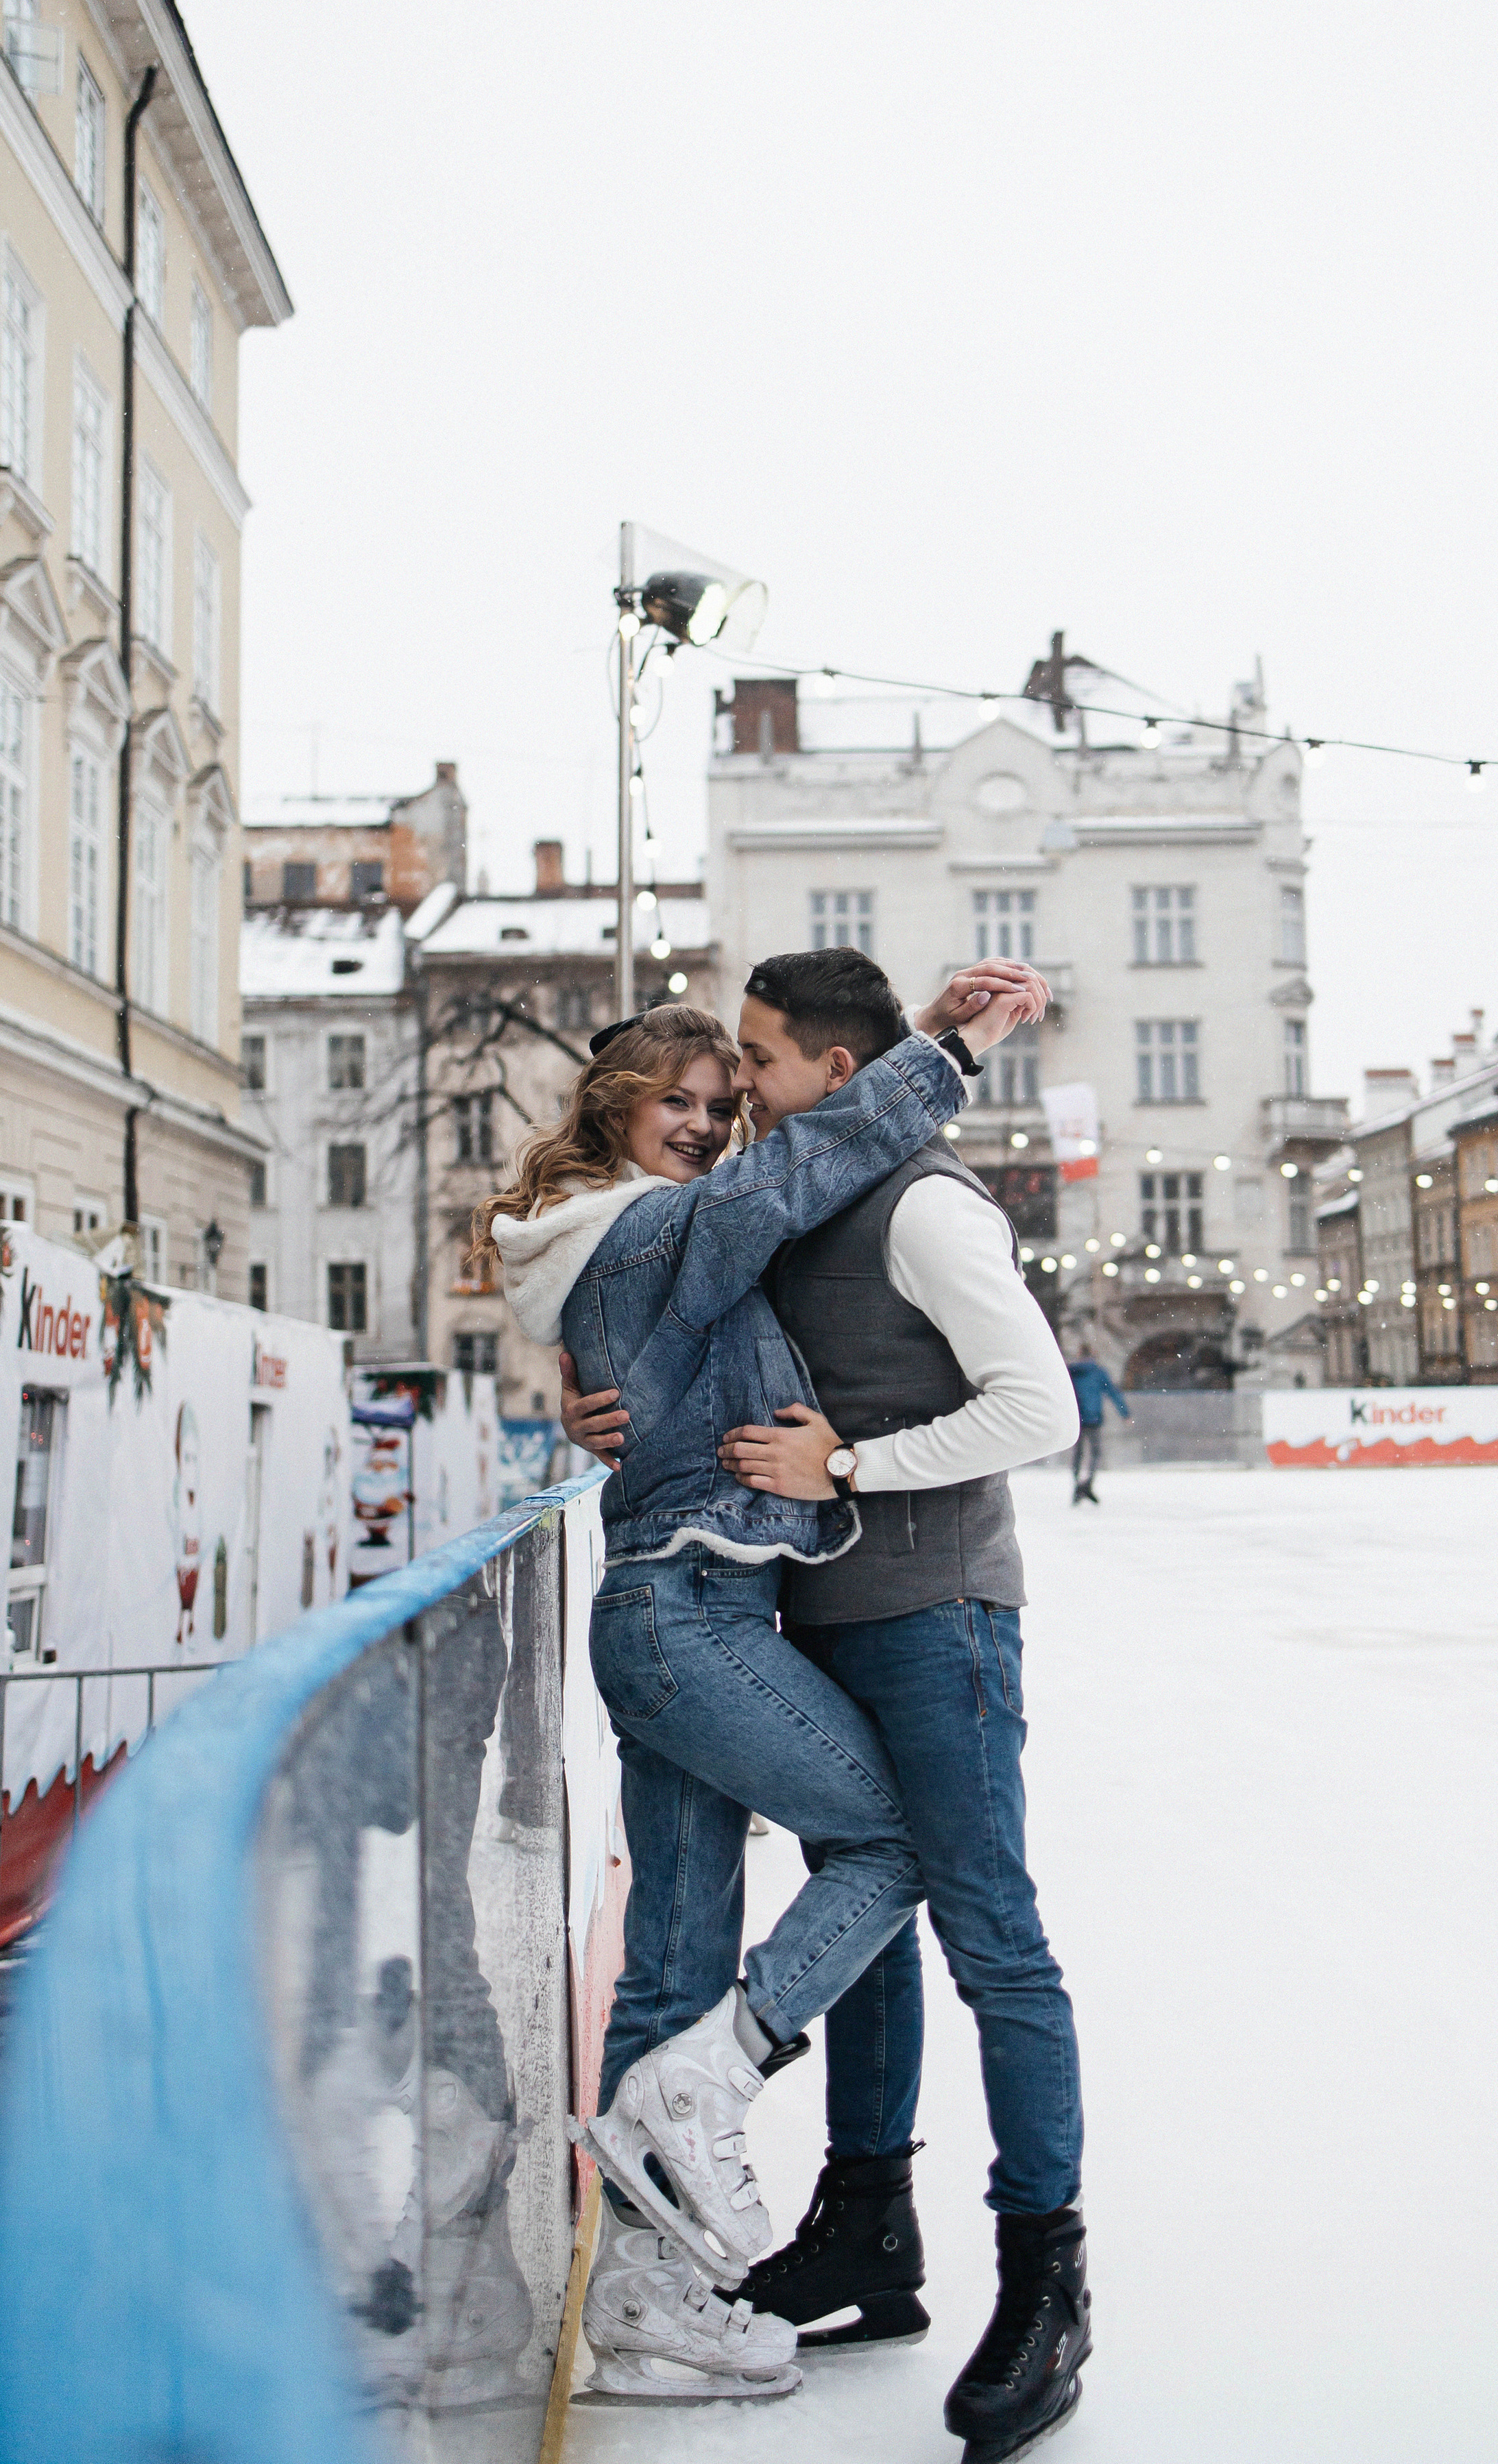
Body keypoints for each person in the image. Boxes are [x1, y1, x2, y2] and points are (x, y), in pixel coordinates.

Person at [478, 971, 1042, 2405]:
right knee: (902, 1838)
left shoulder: (611, 1240)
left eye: (721, 1105)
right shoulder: (662, 1225)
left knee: (669, 1949)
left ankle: (649, 2299)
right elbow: (804, 1169)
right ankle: (719, 2069)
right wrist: (949, 1050)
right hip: (692, 1612)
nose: (708, 1125)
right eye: (678, 1100)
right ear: (614, 1107)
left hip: (692, 1604)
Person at [1065, 1339, 1131, 1503]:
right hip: (1093, 1418)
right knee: (1095, 1454)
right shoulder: (1098, 1372)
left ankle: (1079, 1485)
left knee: (1078, 1454)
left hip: (1076, 1419)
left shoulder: (1071, 1372)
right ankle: (1087, 1485)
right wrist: (1125, 1414)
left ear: (1079, 1354)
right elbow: (1113, 1393)